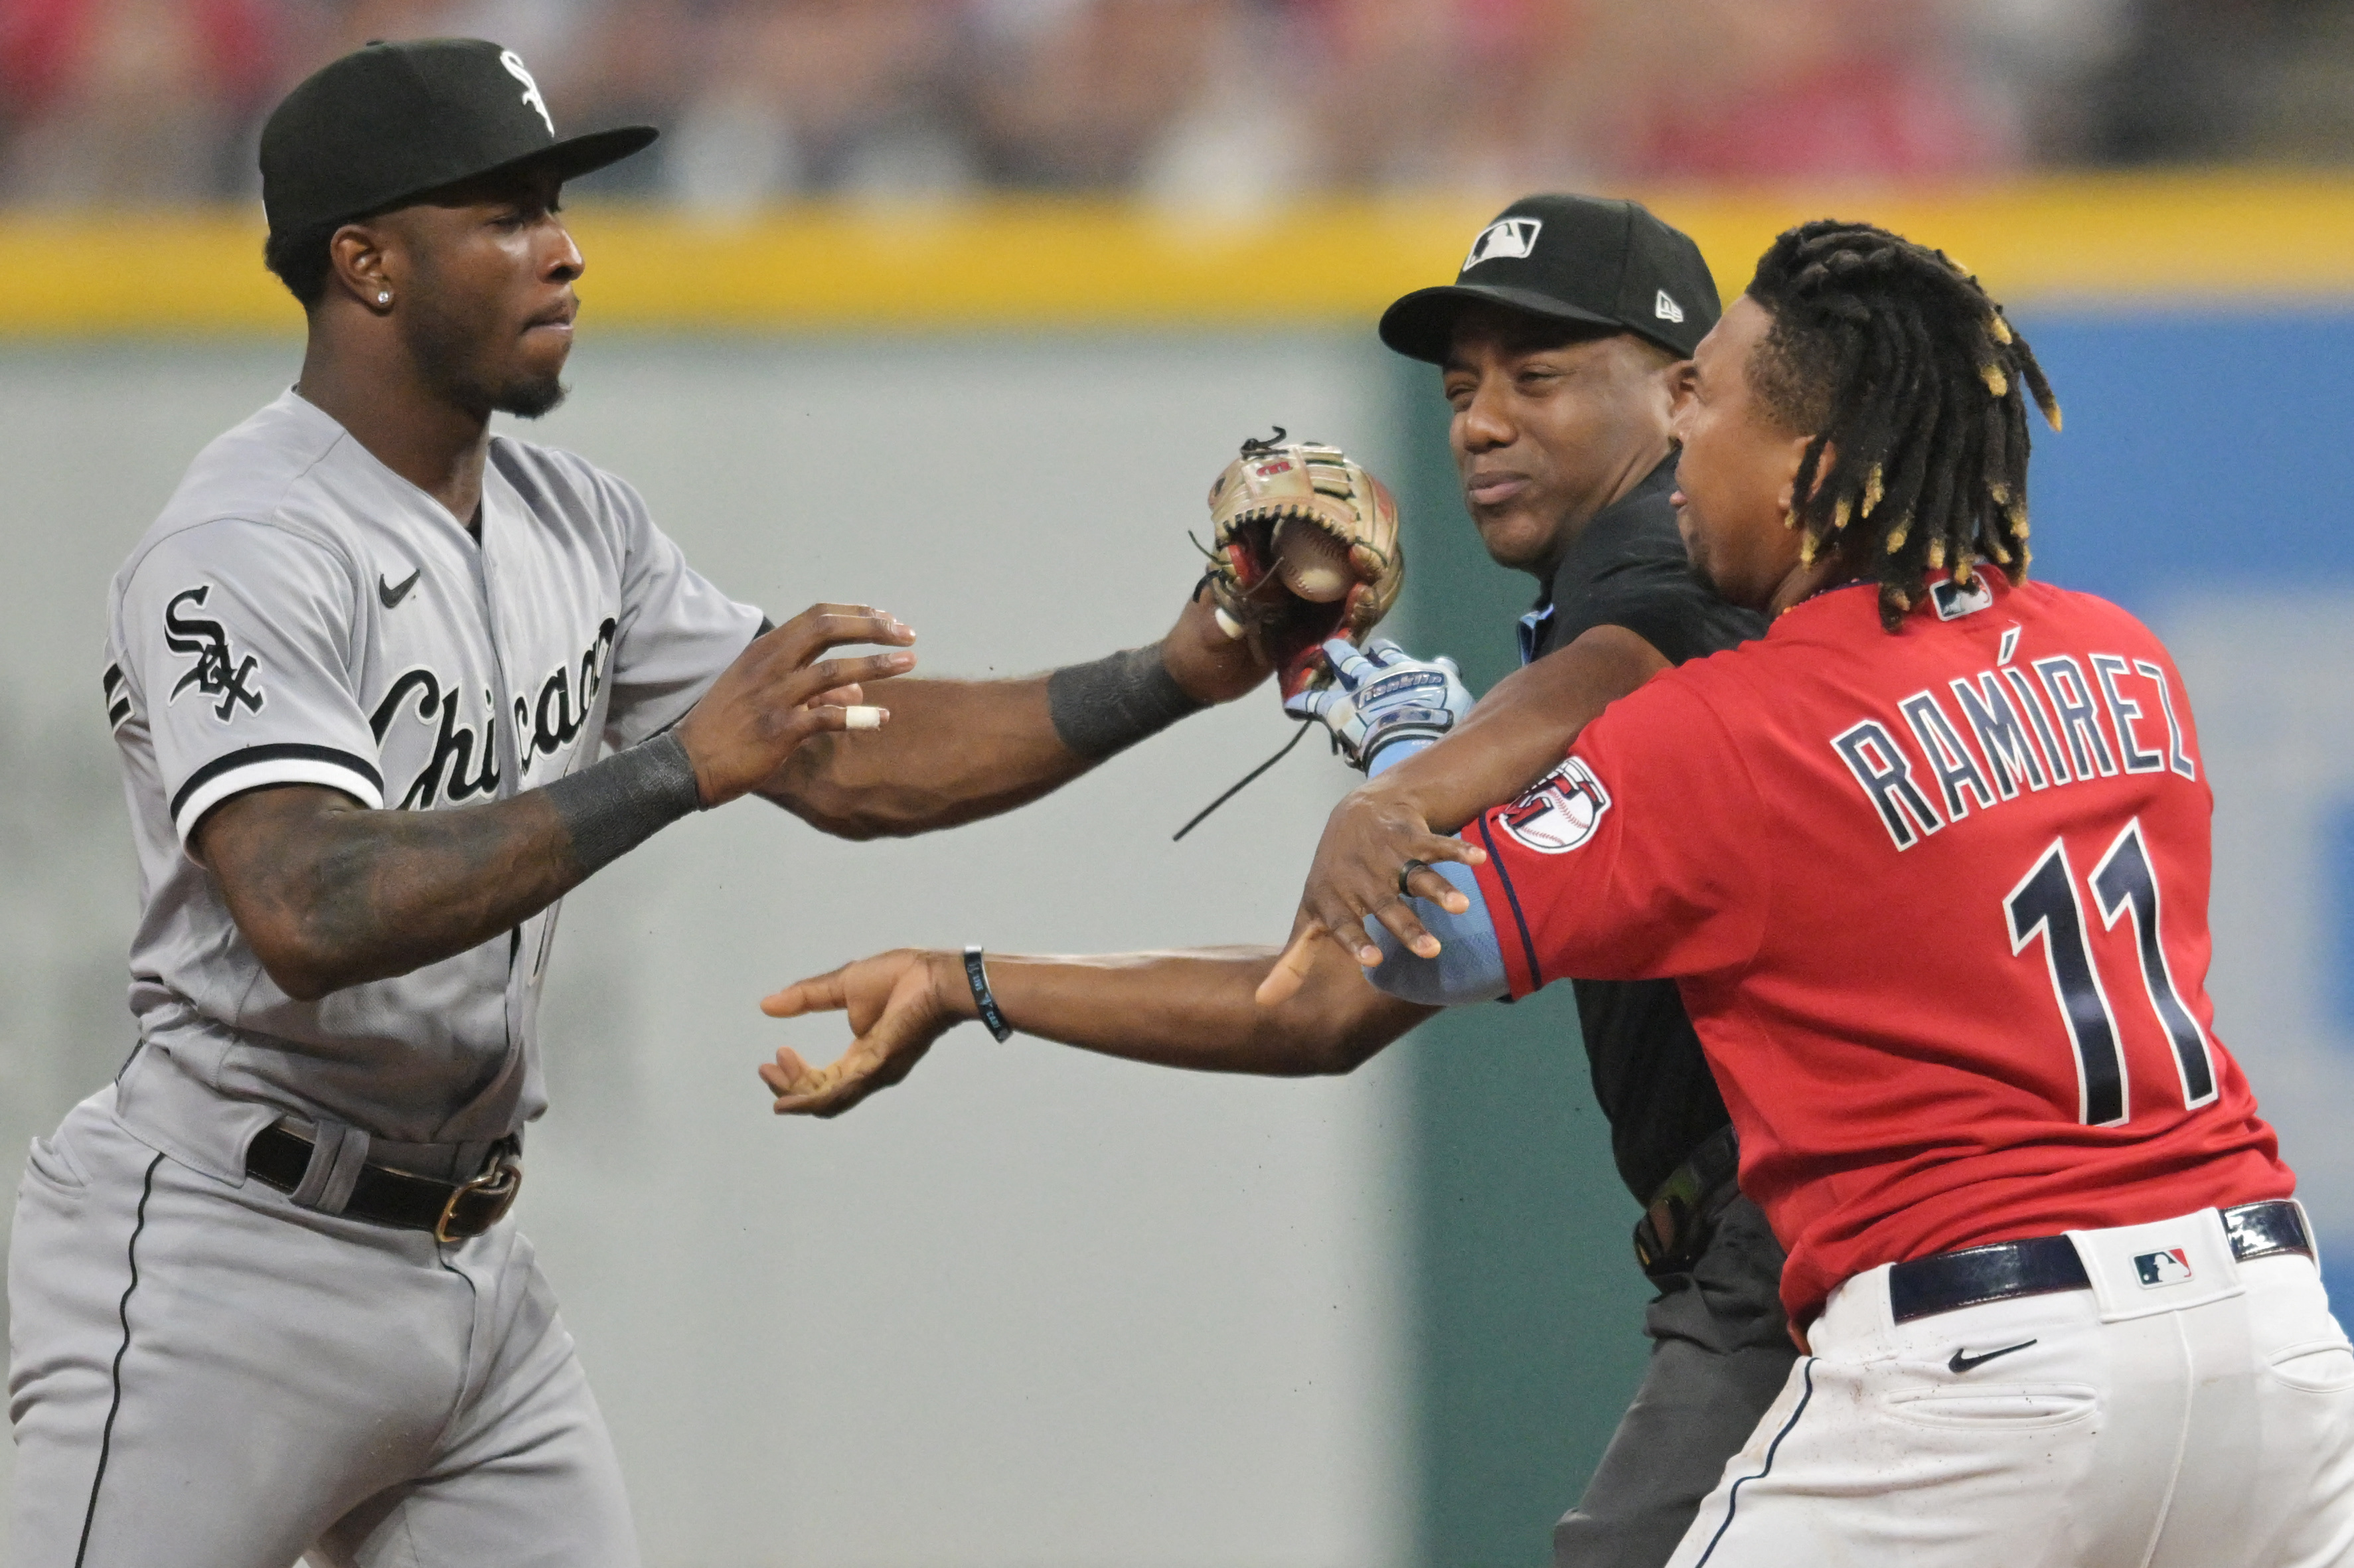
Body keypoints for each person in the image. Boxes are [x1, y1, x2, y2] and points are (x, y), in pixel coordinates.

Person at [767, 219, 2354, 1563]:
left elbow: (1414, 940)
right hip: (2271, 1336)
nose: (1678, 440)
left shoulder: (1718, 699)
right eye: (1461, 386)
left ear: (1799, 458)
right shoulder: (2117, 653)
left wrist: (1407, 772)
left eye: (1697, 400)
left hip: (1961, 1344)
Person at [9, 39, 1273, 1568]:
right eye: (507, 212)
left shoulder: (572, 517)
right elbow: (308, 904)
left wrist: (1185, 668)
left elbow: (847, 757)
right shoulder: (246, 542)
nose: (566, 247)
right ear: (368, 263)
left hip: (470, 1276)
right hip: (225, 1258)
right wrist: (676, 764)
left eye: (557, 204)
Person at [763, 196, 1796, 1567]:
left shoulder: (1665, 581)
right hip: (1798, 1248)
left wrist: (1410, 778)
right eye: (1460, 386)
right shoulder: (1612, 612)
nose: (1480, 421)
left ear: (1681, 393)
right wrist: (969, 983)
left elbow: (1642, 657)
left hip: (1801, 1241)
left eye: (1537, 375)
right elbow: (1325, 1005)